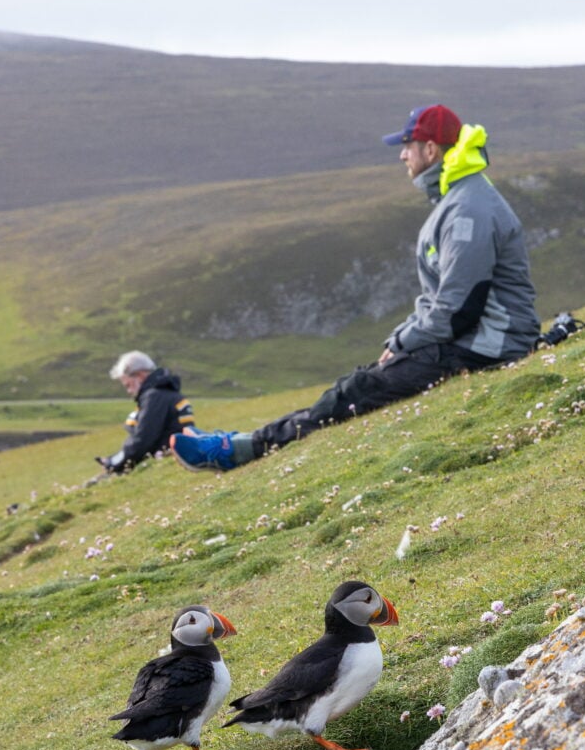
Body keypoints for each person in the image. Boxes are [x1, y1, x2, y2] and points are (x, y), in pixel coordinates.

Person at [170, 104, 540, 472]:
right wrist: (403, 336)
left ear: (430, 150)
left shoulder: (467, 211)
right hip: (475, 340)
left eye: (407, 146)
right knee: (359, 385)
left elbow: (458, 309)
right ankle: (240, 442)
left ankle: (237, 450)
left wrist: (403, 342)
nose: (402, 155)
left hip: (488, 347)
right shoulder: (459, 199)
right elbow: (444, 299)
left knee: (357, 391)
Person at [97, 351, 195, 473]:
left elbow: (144, 438)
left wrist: (113, 463)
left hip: (165, 457)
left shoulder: (154, 397)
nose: (129, 391)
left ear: (140, 375)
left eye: (128, 385)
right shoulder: (165, 392)